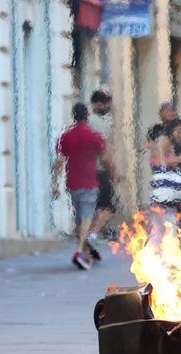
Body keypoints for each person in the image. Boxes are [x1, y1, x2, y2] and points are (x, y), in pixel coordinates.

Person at [52, 103, 119, 270]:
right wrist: (114, 171)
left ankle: (85, 252)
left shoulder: (65, 136)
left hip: (72, 183)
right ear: (87, 116)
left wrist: (55, 184)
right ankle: (81, 251)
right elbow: (105, 159)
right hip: (89, 181)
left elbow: (59, 161)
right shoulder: (95, 136)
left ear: (74, 115)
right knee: (87, 218)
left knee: (79, 219)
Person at [86, 90, 114, 260]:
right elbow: (103, 149)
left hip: (94, 169)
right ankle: (94, 235)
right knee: (110, 208)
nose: (106, 106)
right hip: (100, 169)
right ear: (96, 104)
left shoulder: (102, 120)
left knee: (98, 208)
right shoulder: (95, 122)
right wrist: (113, 169)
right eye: (103, 103)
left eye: (108, 102)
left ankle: (92, 239)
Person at [149, 120, 181, 226]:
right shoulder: (165, 139)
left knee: (161, 225)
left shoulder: (173, 145)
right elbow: (160, 162)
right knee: (166, 224)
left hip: (164, 192)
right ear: (171, 130)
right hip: (163, 191)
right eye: (178, 131)